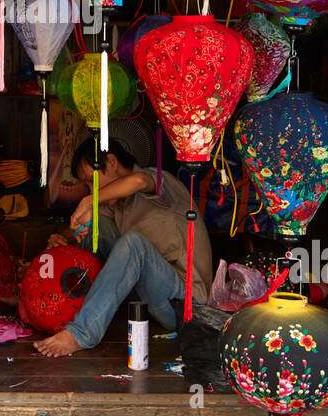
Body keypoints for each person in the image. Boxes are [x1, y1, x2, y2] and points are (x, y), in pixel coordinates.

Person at [33, 140, 213, 358]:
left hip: (184, 305)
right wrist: (63, 237)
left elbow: (138, 181)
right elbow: (89, 224)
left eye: (92, 181)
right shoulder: (117, 205)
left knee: (133, 243)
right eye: (88, 187)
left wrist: (91, 200)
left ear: (111, 162)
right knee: (96, 227)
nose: (91, 190)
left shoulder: (157, 179)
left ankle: (82, 333)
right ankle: (68, 305)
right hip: (147, 300)